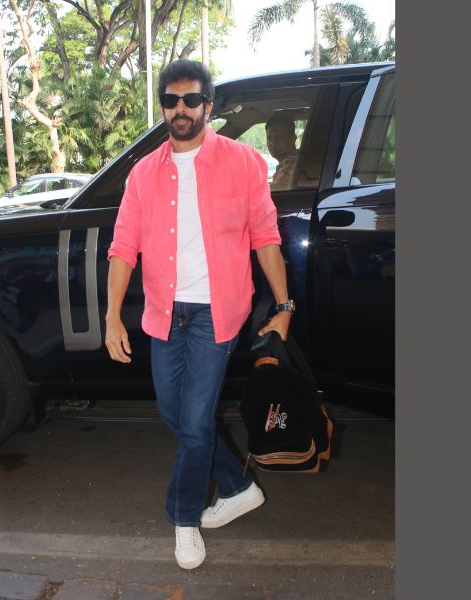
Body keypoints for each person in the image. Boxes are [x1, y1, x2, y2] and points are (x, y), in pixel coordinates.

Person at [104, 59, 296, 570]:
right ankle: (237, 486)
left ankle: (184, 518)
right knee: (176, 415)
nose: (181, 109)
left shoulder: (243, 162)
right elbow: (122, 248)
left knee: (193, 423)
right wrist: (112, 316)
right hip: (165, 312)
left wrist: (284, 306)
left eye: (191, 99)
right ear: (163, 108)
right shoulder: (143, 174)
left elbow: (266, 238)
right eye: (172, 101)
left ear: (208, 106)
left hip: (217, 312)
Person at [265, 114, 299, 191]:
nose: (272, 142)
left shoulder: (292, 164)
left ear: (293, 139)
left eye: (279, 137)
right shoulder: (285, 164)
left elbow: (278, 188)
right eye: (269, 138)